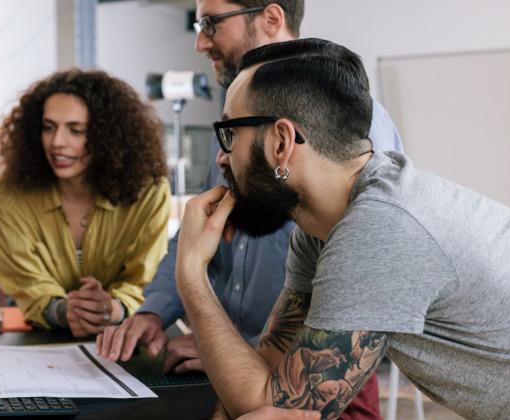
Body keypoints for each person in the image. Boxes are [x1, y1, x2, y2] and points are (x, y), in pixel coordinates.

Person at [125, 38, 510, 419]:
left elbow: (278, 413)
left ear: (283, 140)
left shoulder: (381, 230)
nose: (222, 157)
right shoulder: (324, 224)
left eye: (229, 133)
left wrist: (192, 279)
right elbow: (261, 387)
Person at [97, 1, 399, 418]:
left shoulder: (359, 157)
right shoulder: (247, 139)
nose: (201, 41)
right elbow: (203, 228)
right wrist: (162, 310)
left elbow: (353, 301)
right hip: (245, 369)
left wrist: (219, 332)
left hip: (314, 377)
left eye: (210, 23)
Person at [0, 69, 171, 337]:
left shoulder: (149, 193)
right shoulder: (7, 194)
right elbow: (27, 284)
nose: (57, 143)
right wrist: (64, 311)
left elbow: (144, 279)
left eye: (76, 130)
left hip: (128, 336)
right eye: (48, 128)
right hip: (43, 342)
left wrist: (113, 309)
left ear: (107, 136)